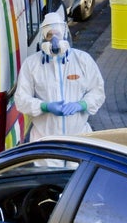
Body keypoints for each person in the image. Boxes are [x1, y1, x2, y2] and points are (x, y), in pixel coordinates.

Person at [15, 12, 105, 143]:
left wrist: (82, 105)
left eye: (57, 34)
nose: (54, 40)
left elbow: (98, 91)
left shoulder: (82, 60)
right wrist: (44, 106)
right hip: (45, 141)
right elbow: (21, 99)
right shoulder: (32, 64)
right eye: (49, 35)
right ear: (43, 38)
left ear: (64, 33)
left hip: (79, 139)